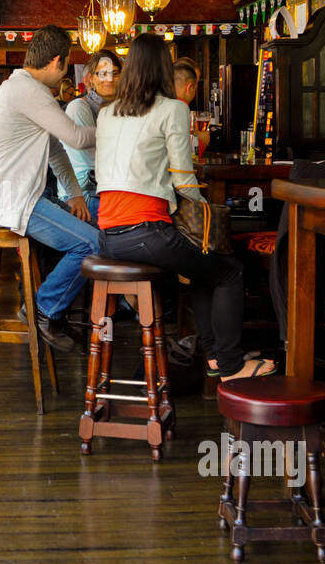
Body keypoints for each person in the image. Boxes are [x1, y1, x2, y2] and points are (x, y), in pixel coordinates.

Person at [95, 33, 275, 381]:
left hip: (108, 235)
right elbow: (183, 180)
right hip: (146, 232)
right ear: (164, 68)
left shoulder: (107, 113)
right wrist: (207, 210)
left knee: (202, 268)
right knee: (229, 270)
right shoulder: (172, 109)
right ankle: (231, 366)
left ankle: (216, 355)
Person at [0, 24, 98, 353]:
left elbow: (56, 150)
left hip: (10, 197)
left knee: (92, 218)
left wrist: (76, 194)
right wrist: (119, 123)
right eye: (67, 64)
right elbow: (77, 138)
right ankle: (43, 309)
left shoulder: (21, 89)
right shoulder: (29, 92)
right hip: (12, 201)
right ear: (57, 62)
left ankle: (55, 308)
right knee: (93, 243)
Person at [63, 50, 121, 220]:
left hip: (109, 190)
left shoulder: (120, 108)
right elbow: (94, 165)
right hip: (81, 195)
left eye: (115, 73)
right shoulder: (79, 108)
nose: (109, 79)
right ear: (91, 79)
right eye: (102, 73)